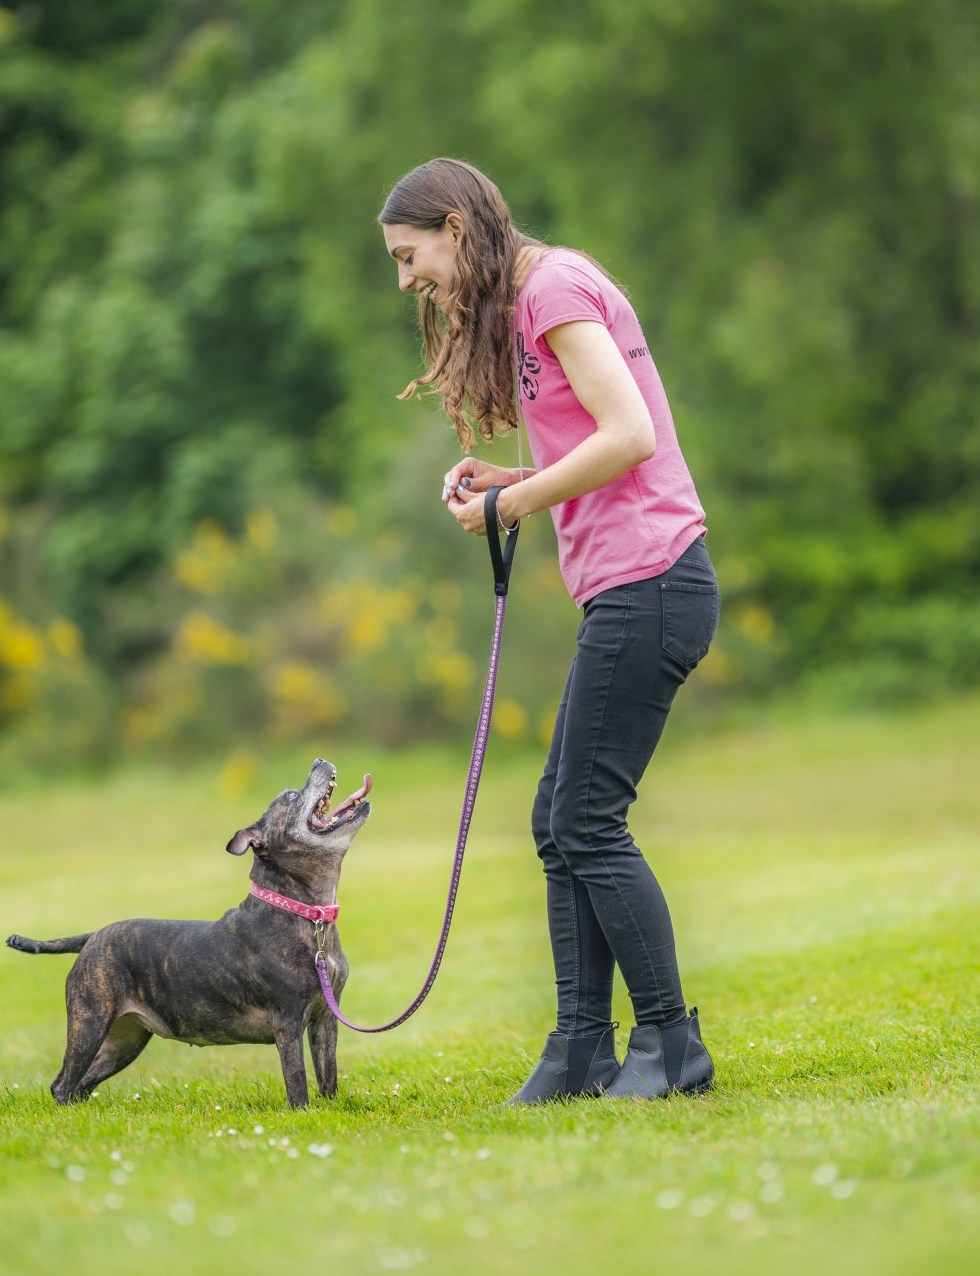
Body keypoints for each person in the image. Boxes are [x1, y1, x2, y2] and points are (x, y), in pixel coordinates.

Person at [378, 158, 719, 1102]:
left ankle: (669, 1044)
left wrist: (516, 499)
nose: (408, 280)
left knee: (585, 819)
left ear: (454, 226)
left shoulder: (556, 286)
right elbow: (584, 440)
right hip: (626, 587)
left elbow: (629, 434)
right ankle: (580, 1049)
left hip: (653, 579)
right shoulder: (527, 299)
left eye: (411, 257)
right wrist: (507, 483)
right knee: (557, 818)